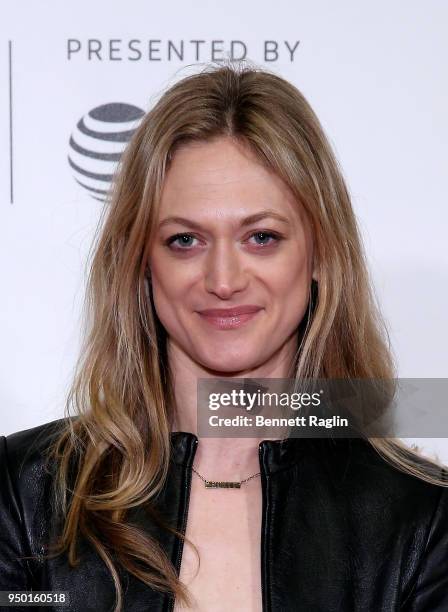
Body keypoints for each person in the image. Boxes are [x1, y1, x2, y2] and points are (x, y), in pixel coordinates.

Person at [1, 61, 447, 612]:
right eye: (185, 240)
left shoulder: (423, 517)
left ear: (322, 256)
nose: (224, 281)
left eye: (261, 237)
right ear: (141, 263)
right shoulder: (23, 495)